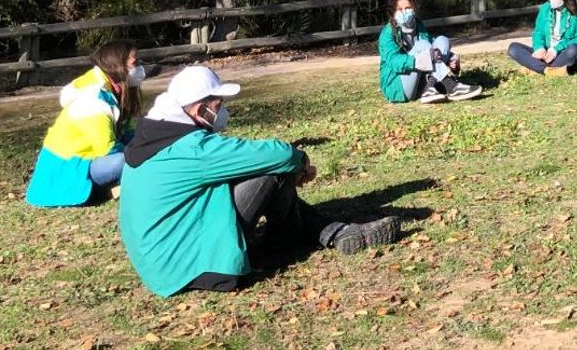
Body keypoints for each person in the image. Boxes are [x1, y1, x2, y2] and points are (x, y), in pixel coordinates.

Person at [118, 66, 403, 297]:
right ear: (197, 108)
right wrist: (300, 162)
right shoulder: (192, 149)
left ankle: (332, 233)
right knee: (271, 171)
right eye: (219, 104)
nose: (223, 111)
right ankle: (309, 235)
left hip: (163, 262)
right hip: (194, 266)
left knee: (260, 169)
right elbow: (276, 154)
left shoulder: (156, 136)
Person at [25, 41, 144, 207]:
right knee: (125, 160)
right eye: (135, 63)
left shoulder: (113, 92)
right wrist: (142, 152)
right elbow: (107, 148)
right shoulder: (93, 99)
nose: (140, 68)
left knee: (140, 147)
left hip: (87, 163)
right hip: (68, 171)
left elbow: (127, 133)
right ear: (117, 66)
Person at [377, 0, 483, 103]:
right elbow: (394, 61)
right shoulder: (387, 33)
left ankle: (429, 89)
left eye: (407, 8)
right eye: (399, 9)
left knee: (442, 41)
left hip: (421, 79)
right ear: (393, 11)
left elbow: (431, 45)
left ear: (414, 8)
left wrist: (451, 58)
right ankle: (451, 86)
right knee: (423, 45)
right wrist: (417, 60)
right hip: (400, 85)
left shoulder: (418, 24)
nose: (404, 12)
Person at [507, 0, 577, 77]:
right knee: (514, 48)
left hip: (562, 53)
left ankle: (534, 67)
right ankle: (548, 70)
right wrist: (539, 48)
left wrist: (556, 49)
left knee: (573, 51)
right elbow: (538, 32)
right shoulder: (545, 8)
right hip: (546, 53)